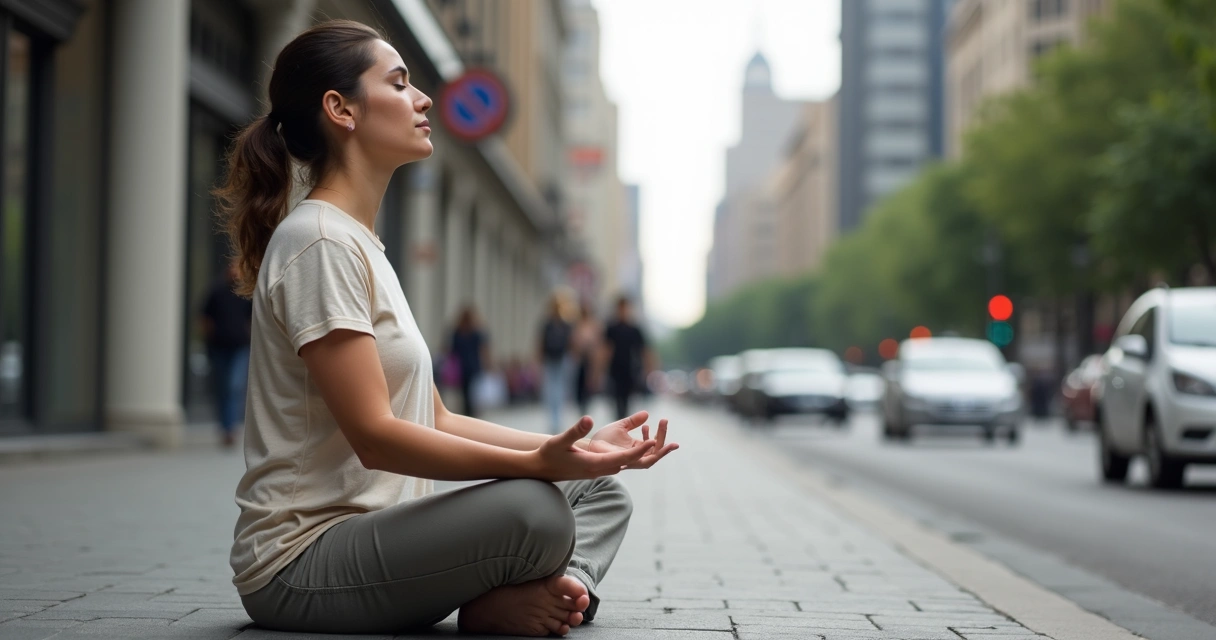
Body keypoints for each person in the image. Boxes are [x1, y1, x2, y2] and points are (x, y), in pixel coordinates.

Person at [216, 21, 677, 637]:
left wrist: (570, 450)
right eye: (400, 83)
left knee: (599, 493)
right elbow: (377, 438)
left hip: (384, 537)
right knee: (533, 507)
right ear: (341, 109)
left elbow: (434, 418)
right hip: (302, 565)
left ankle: (555, 597)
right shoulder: (318, 242)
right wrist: (540, 465)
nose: (423, 98)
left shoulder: (362, 244)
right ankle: (510, 601)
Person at [200, 258, 253, 448]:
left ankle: (231, 428)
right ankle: (225, 427)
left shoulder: (246, 293)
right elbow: (205, 318)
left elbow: (253, 318)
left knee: (234, 386)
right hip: (219, 347)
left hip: (240, 347)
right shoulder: (216, 291)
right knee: (223, 388)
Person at [602, 296, 653, 420]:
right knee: (615, 398)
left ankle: (623, 420)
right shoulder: (611, 328)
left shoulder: (634, 329)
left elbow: (644, 350)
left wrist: (648, 369)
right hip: (614, 368)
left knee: (627, 399)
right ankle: (618, 420)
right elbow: (605, 350)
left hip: (630, 369)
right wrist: (600, 369)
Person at [539, 293, 574, 434]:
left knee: (559, 389)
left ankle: (558, 418)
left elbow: (571, 342)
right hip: (550, 359)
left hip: (562, 359)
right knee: (550, 389)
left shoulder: (566, 324)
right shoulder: (547, 324)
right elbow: (541, 342)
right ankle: (553, 419)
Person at [450, 306, 488, 417]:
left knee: (464, 393)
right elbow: (483, 350)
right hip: (474, 366)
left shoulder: (457, 332)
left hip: (462, 368)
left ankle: (467, 412)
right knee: (474, 393)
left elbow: (452, 351)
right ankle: (473, 413)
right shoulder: (477, 332)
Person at [571, 300, 602, 417]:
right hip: (579, 359)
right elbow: (573, 342)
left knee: (588, 383)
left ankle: (586, 405)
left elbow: (598, 343)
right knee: (579, 383)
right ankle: (580, 405)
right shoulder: (576, 324)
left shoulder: (594, 325)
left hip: (590, 359)